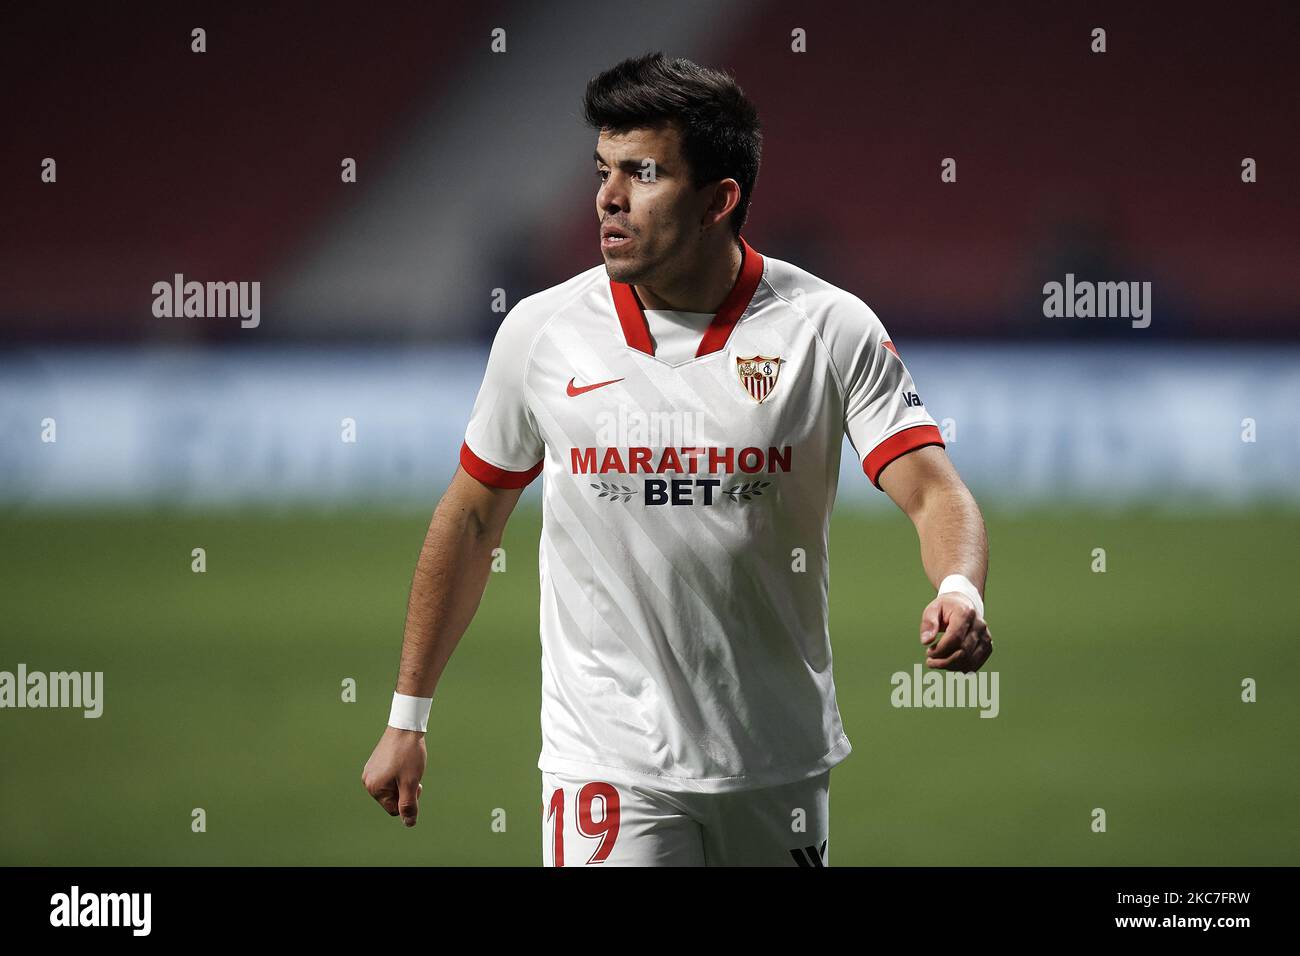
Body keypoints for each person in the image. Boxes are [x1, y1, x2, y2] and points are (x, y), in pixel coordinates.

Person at [362, 51, 992, 866]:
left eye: (643, 173)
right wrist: (407, 716)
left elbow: (935, 493)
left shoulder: (828, 328)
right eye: (602, 171)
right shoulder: (541, 333)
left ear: (718, 200)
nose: (607, 198)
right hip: (605, 762)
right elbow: (473, 517)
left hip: (777, 762)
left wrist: (958, 589)